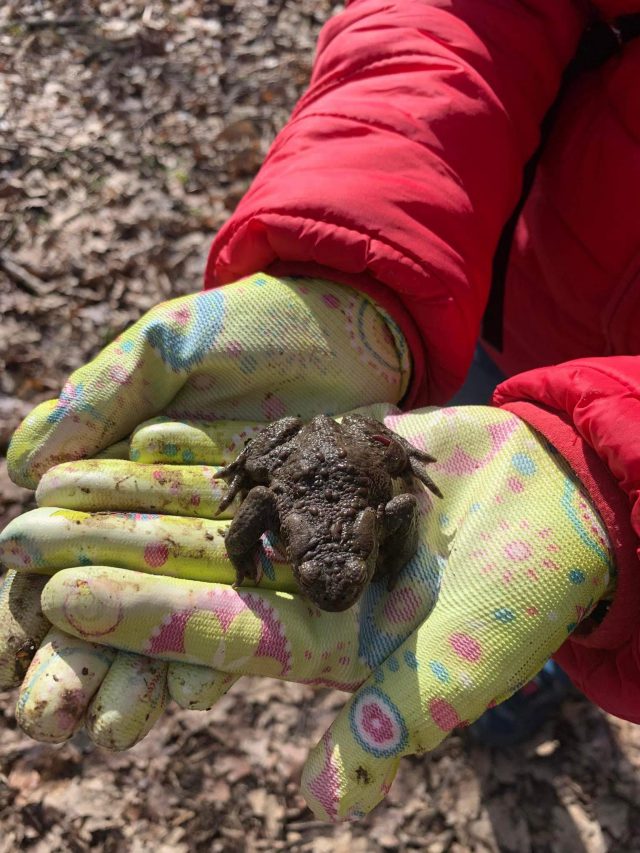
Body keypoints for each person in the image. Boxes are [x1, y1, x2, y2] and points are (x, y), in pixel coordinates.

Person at [2, 0, 640, 822]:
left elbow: (395, 498)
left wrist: (618, 483)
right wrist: (356, 268)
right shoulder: (309, 518)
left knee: (522, 552)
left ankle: (539, 662)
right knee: (453, 449)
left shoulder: (350, 524)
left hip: (513, 415)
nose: (328, 586)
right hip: (504, 303)